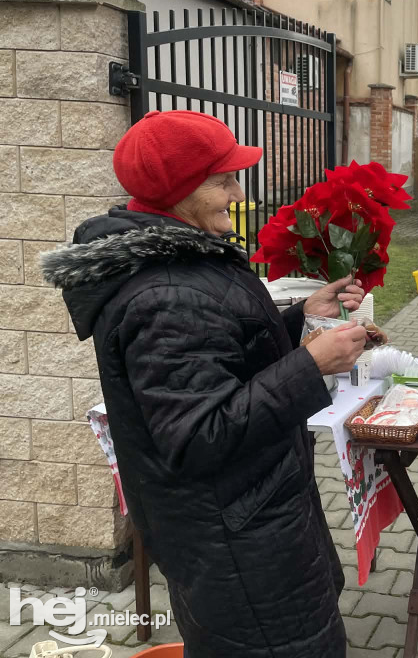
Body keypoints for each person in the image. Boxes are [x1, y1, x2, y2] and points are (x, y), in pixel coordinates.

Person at [41, 110, 368, 658]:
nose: (237, 192)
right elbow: (199, 436)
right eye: (222, 180)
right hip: (236, 545)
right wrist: (309, 366)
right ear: (179, 190)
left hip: (249, 523)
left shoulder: (181, 260)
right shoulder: (166, 292)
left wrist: (297, 319)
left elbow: (222, 354)